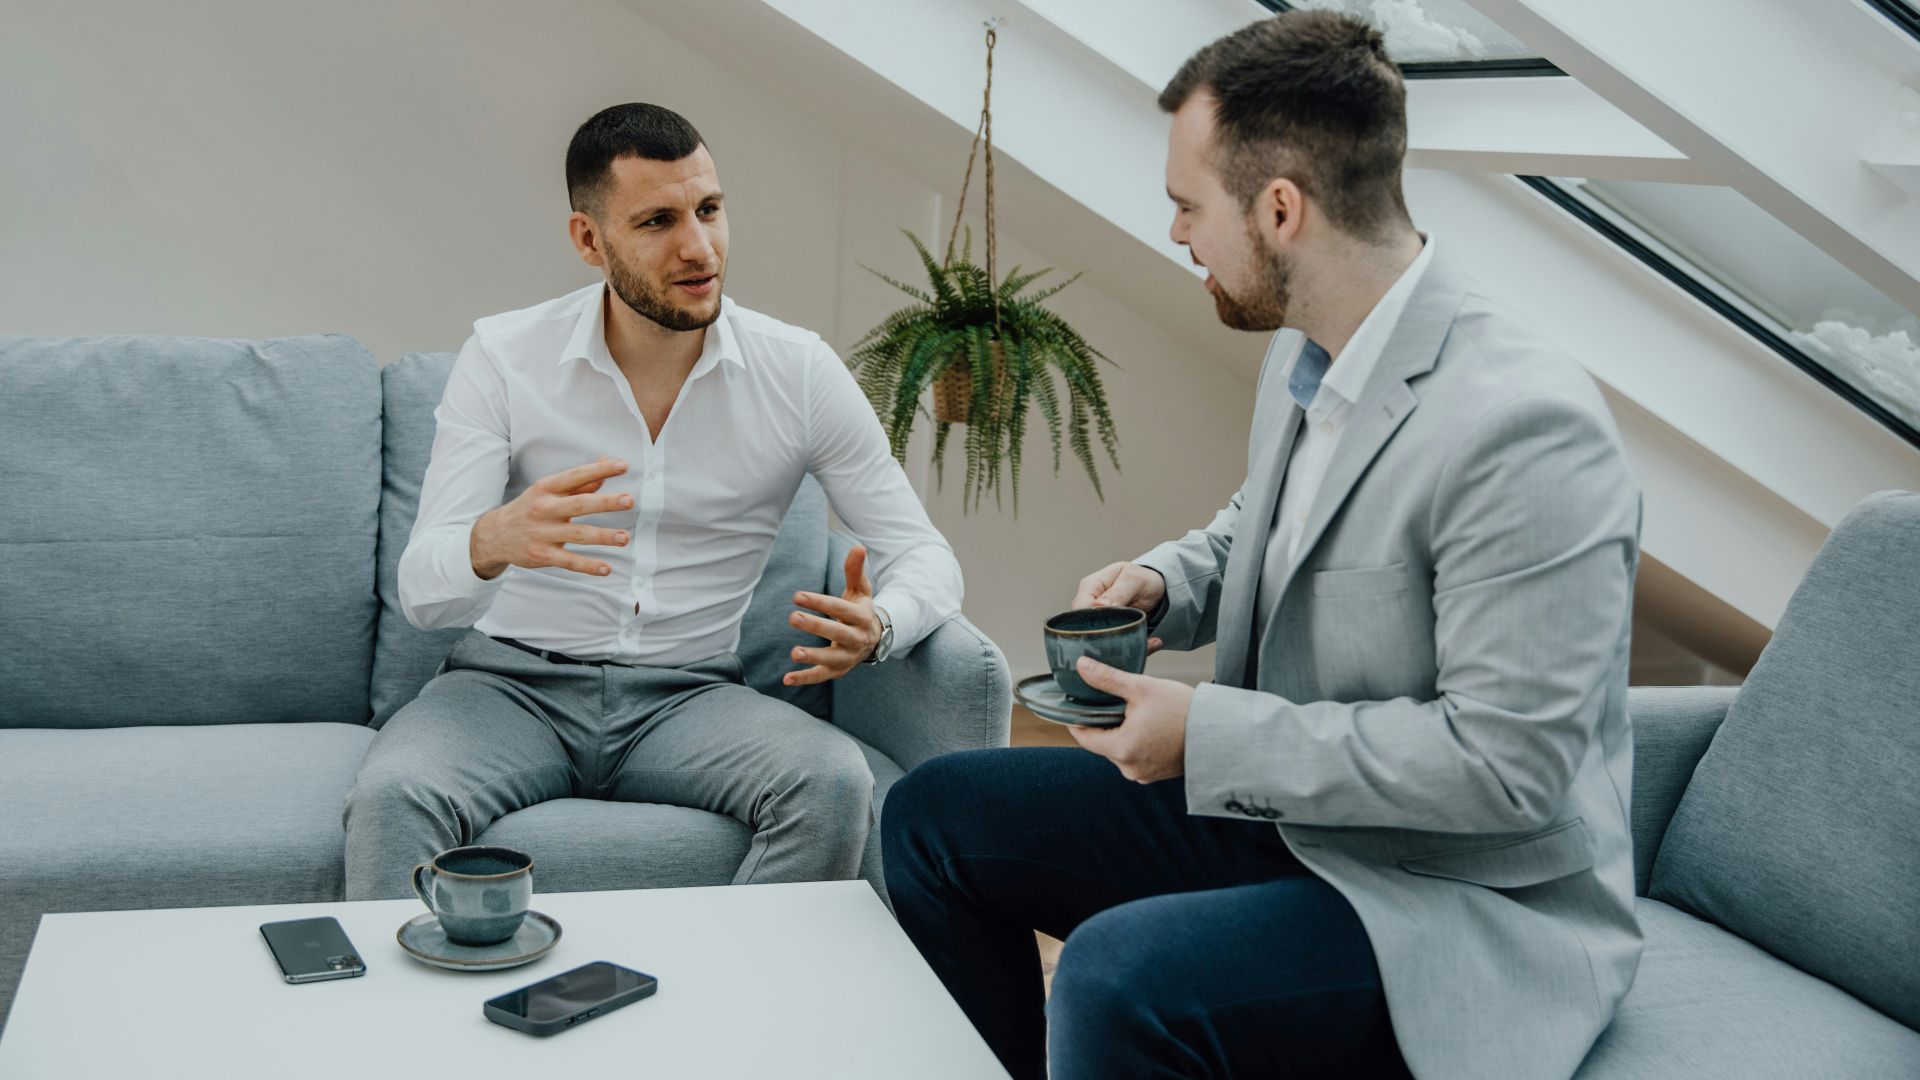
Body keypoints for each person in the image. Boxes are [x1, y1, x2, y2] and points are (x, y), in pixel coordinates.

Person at [883, 12, 1642, 1080]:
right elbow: (1271, 524)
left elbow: (1505, 768)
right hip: (1296, 819)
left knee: (1112, 978)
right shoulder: (1310, 347)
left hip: (1452, 896)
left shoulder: (1525, 428)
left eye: (1188, 206)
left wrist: (1209, 738)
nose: (1177, 234)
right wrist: (1166, 582)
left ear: (1280, 210)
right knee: (933, 817)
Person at [344, 103, 962, 900]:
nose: (699, 247)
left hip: (690, 697)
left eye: (709, 209)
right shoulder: (504, 357)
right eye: (658, 221)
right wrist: (492, 539)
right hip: (509, 688)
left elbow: (924, 553)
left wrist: (884, 626)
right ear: (588, 239)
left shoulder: (799, 373)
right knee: (394, 797)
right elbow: (424, 593)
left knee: (833, 781)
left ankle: (730, 982)